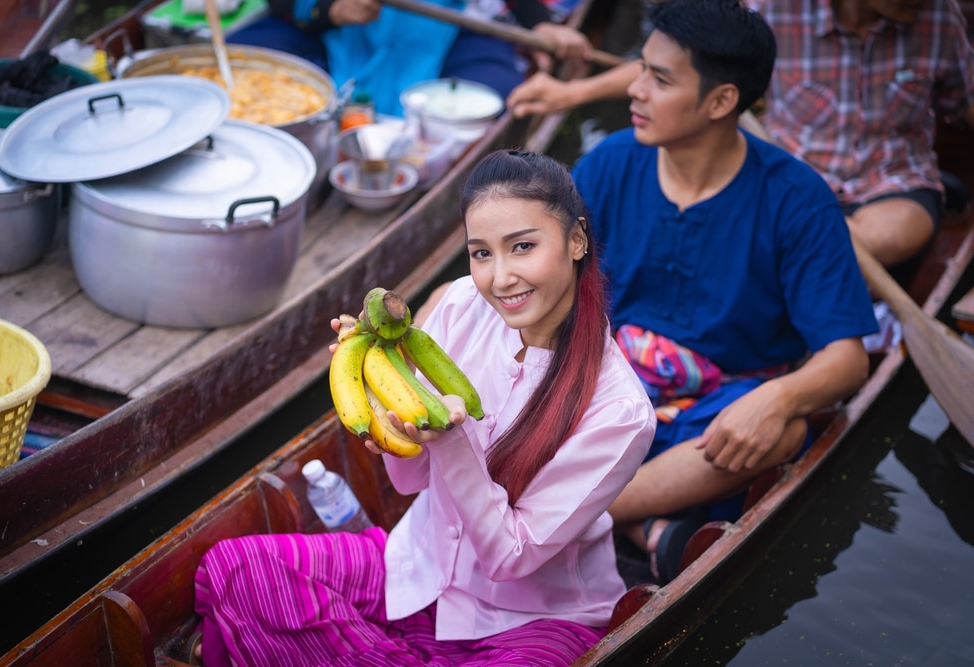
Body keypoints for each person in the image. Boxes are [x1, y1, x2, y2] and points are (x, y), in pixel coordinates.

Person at [190, 149, 656, 666]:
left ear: (576, 240)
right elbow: (410, 482)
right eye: (481, 253)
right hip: (418, 569)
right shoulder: (461, 304)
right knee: (234, 568)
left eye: (522, 247)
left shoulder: (619, 412)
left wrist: (452, 440)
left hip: (534, 620)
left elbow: (511, 557)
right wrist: (389, 408)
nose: (500, 279)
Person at [566, 0, 877, 584]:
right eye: (641, 69)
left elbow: (847, 358)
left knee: (781, 430)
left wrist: (779, 397)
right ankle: (644, 529)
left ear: (721, 101)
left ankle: (572, 522)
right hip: (611, 384)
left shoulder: (797, 200)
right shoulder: (607, 165)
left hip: (711, 413)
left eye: (659, 80)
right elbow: (552, 288)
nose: (634, 90)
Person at [507, 0, 974, 270]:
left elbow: (963, 105)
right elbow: (676, 65)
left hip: (891, 184)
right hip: (783, 172)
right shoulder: (773, 9)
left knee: (845, 245)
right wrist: (570, 93)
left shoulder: (941, 19)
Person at [226, 0, 592, 115]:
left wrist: (541, 25)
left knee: (495, 100)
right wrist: (329, 8)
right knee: (236, 67)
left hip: (447, 29)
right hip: (341, 33)